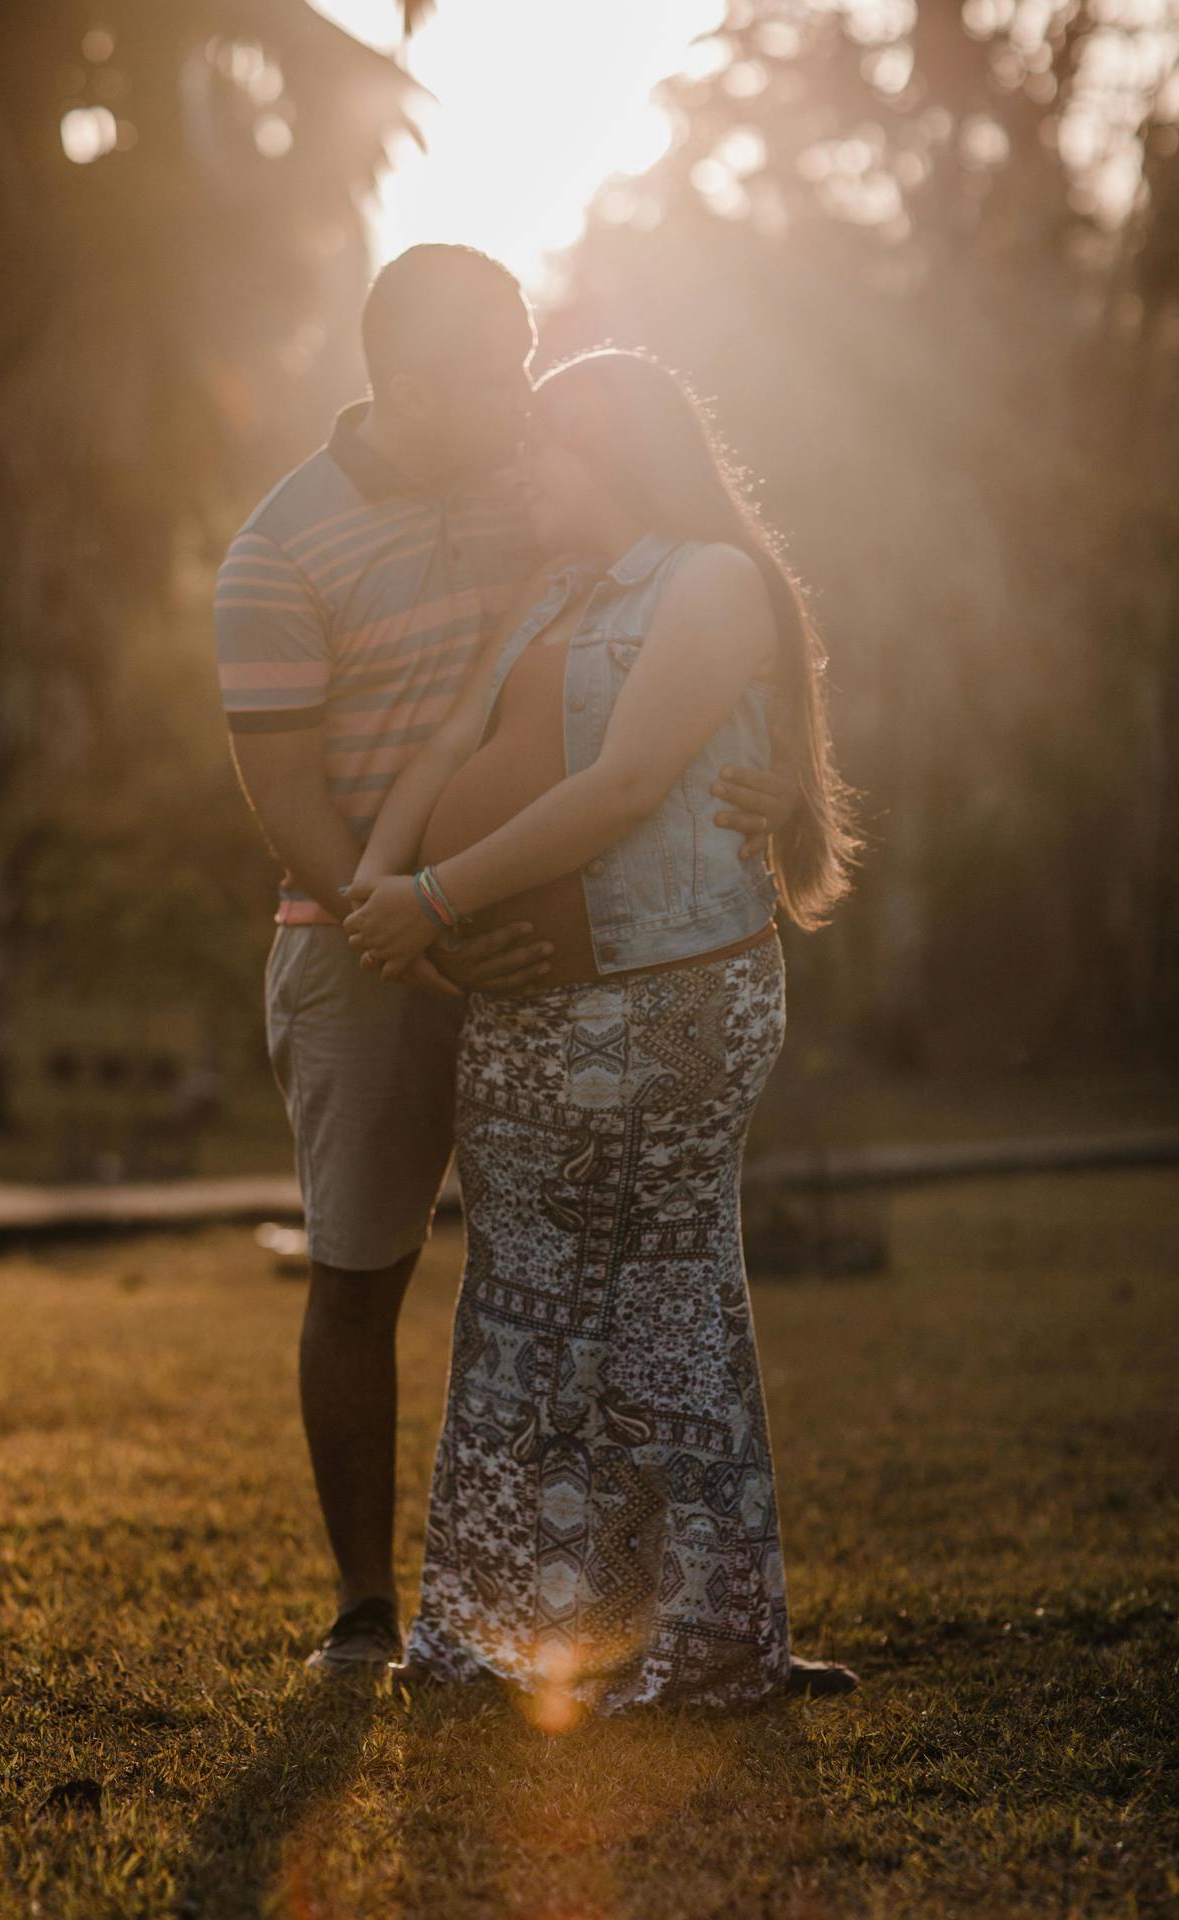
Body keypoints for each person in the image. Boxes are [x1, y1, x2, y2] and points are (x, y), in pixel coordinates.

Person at [213, 250, 798, 1675]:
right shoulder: (279, 553)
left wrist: (775, 776)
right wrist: (398, 920)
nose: (520, 397)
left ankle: (616, 1618)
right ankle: (368, 1608)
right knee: (363, 1269)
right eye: (492, 375)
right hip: (365, 948)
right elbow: (282, 791)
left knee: (573, 1284)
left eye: (527, 365)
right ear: (405, 385)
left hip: (557, 958)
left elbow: (670, 680)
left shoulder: (537, 489)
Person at [343, 347, 862, 1712]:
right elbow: (445, 751)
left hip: (666, 996)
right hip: (524, 1012)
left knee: (662, 1301)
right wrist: (381, 892)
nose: (522, 471)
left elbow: (630, 783)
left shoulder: (713, 581)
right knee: (520, 1311)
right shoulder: (552, 591)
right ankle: (501, 1643)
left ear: (614, 451)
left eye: (546, 447)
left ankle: (699, 1646)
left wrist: (434, 896)